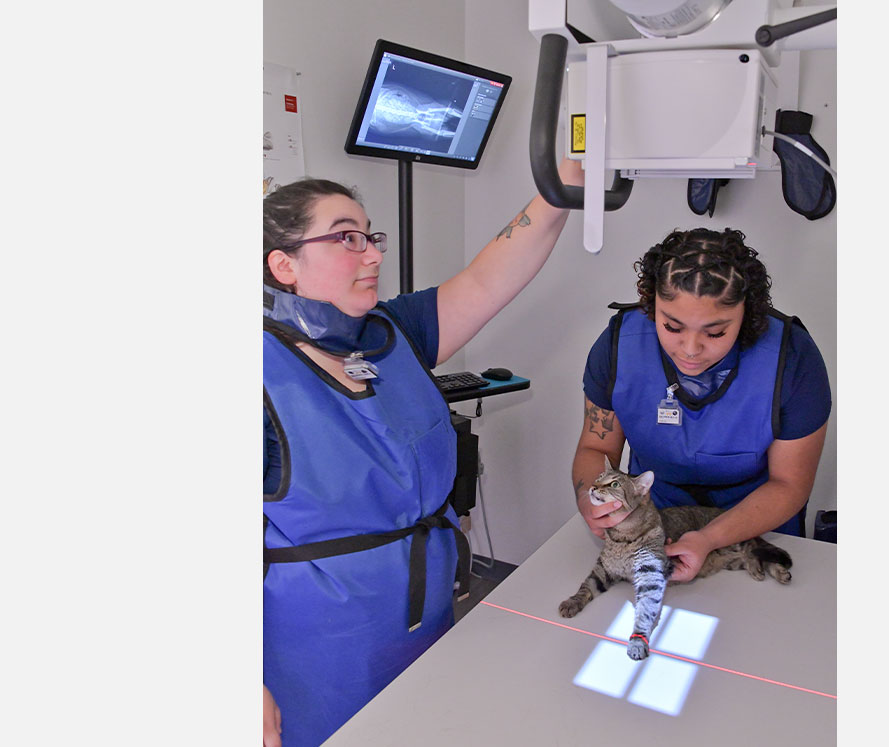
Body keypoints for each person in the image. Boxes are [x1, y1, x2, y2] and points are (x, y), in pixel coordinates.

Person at [262, 160, 582, 747]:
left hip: (423, 610)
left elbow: (489, 280)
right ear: (284, 265)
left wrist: (559, 189)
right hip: (319, 640)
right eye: (345, 238)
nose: (372, 254)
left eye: (370, 236)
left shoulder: (391, 332)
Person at [571, 227, 831, 583]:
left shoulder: (792, 359)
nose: (690, 349)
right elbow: (595, 446)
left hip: (757, 534)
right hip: (653, 528)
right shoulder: (619, 346)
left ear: (748, 313)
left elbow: (789, 484)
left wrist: (709, 538)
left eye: (715, 333)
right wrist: (590, 499)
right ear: (650, 304)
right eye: (671, 326)